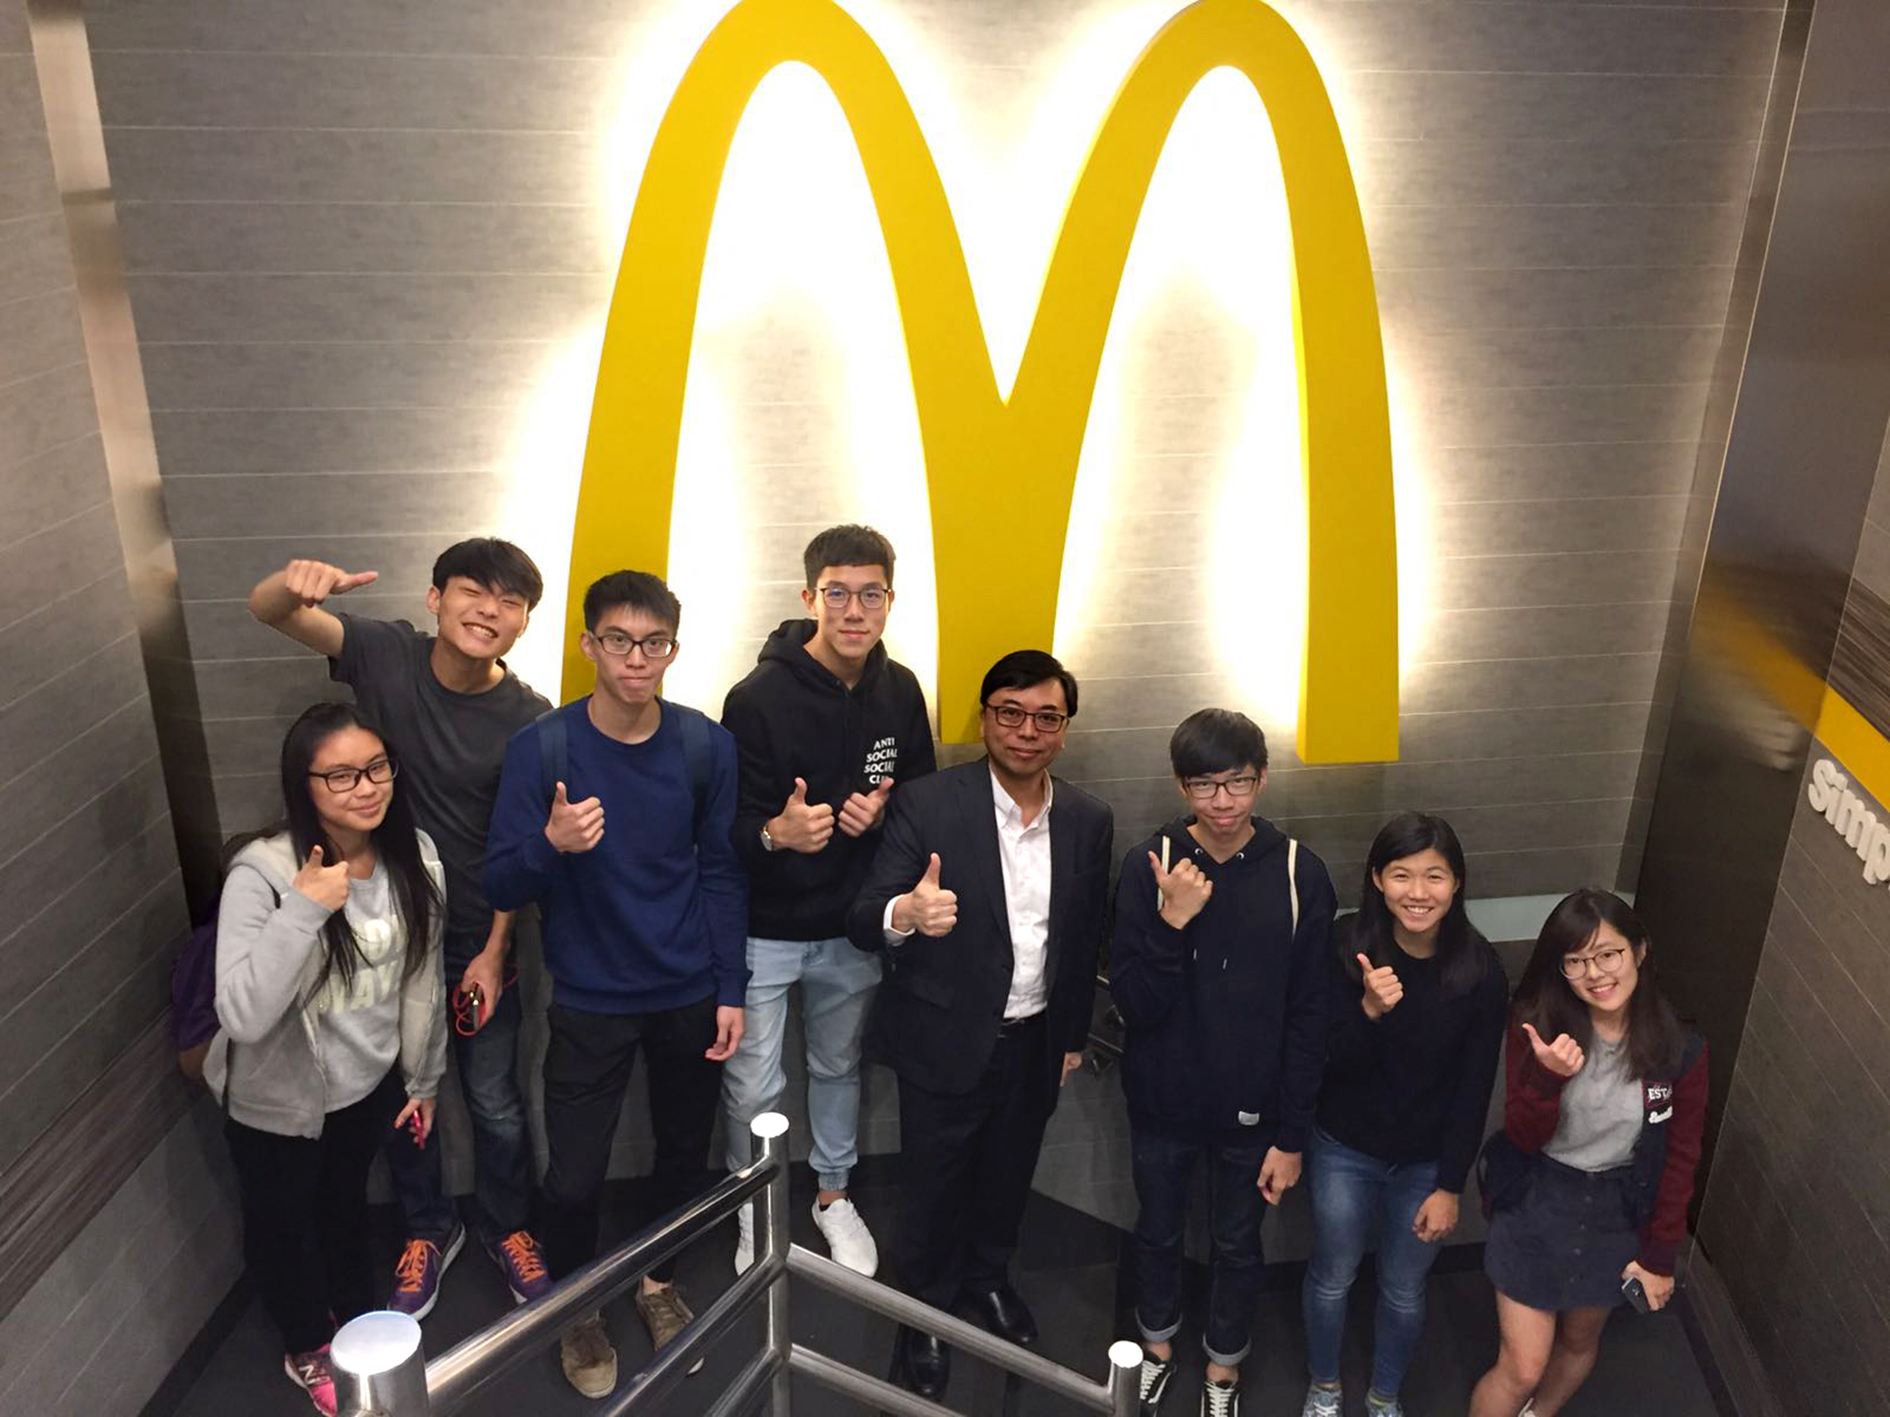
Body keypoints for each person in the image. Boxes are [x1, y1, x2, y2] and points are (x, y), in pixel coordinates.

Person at [247, 539, 554, 1318]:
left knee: (493, 1098)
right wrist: (292, 583)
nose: (489, 609)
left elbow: (517, 845)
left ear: (524, 622)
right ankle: (428, 1225)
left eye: (510, 601)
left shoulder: (529, 716)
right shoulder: (385, 653)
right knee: (395, 1100)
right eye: (473, 591)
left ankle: (506, 1222)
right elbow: (272, 613)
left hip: (478, 939)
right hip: (377, 930)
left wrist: (493, 951)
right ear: (435, 598)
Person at [484, 569, 748, 1399]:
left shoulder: (706, 745)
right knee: (574, 1175)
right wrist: (551, 843)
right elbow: (498, 880)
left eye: (655, 642)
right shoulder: (544, 749)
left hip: (686, 991)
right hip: (591, 997)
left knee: (680, 1157)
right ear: (589, 644)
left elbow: (722, 873)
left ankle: (659, 1285)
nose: (638, 658)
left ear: (674, 648)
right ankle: (580, 1303)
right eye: (620, 640)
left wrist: (730, 986)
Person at [847, 649, 1112, 1401]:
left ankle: (987, 1280)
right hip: (942, 1039)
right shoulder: (929, 803)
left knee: (1006, 1178)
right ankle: (923, 1314)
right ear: (986, 718)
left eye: (1046, 717)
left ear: (1064, 728)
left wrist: (1070, 1036)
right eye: (1010, 713)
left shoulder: (1090, 819)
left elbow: (1085, 931)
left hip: (1035, 1042)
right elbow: (864, 916)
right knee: (932, 1190)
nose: (1027, 730)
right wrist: (908, 913)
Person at [205, 703, 446, 1416]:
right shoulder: (265, 870)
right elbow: (241, 1012)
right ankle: (308, 1341)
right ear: (303, 783)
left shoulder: (415, 855)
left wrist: (423, 1078)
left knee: (343, 1206)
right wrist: (304, 908)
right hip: (277, 1099)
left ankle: (358, 1323)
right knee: (281, 1224)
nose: (365, 787)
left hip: (367, 1086)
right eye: (340, 776)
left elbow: (423, 979)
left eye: (375, 768)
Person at [719, 524, 936, 1275]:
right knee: (753, 1079)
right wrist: (779, 834)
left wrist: (885, 812)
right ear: (809, 597)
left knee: (839, 1067)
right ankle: (752, 1203)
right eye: (837, 593)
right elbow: (728, 830)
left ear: (890, 600)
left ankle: (832, 1195)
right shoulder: (755, 697)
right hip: (766, 928)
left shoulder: (901, 688)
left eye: (869, 594)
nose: (854, 610)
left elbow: (921, 794)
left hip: (854, 924)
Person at [1110, 708, 1335, 1417]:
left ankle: (1224, 1369)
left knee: (1239, 1244)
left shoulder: (1300, 871)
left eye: (1238, 782)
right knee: (1158, 1229)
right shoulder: (1150, 864)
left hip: (1255, 1111)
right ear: (1182, 787)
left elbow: (1309, 1016)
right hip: (1162, 1101)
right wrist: (1172, 922)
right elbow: (1135, 1005)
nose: (1223, 802)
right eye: (1205, 785)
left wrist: (1293, 1134)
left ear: (1261, 778)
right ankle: (1157, 1349)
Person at [1468, 889, 1708, 1417]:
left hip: (1619, 1208)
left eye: (1608, 954)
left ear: (1639, 952)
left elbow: (1680, 1157)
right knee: (1522, 1366)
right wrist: (1548, 1079)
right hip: (1539, 1196)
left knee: (1578, 1344)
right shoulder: (1538, 1023)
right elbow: (1523, 1135)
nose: (1595, 973)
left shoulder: (1679, 1049)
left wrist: (1659, 1255)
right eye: (1575, 961)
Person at [1299, 813, 1506, 1417]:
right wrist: (1367, 1010)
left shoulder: (1480, 971)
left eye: (1434, 876)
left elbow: (1474, 1089)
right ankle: (1324, 1387)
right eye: (1402, 875)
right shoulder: (1346, 945)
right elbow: (1319, 1063)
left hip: (1424, 1161)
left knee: (1403, 1287)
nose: (1418, 893)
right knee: (1332, 1275)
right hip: (1343, 1146)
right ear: (1377, 880)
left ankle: (1384, 1395)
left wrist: (1449, 1185)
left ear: (1457, 883)